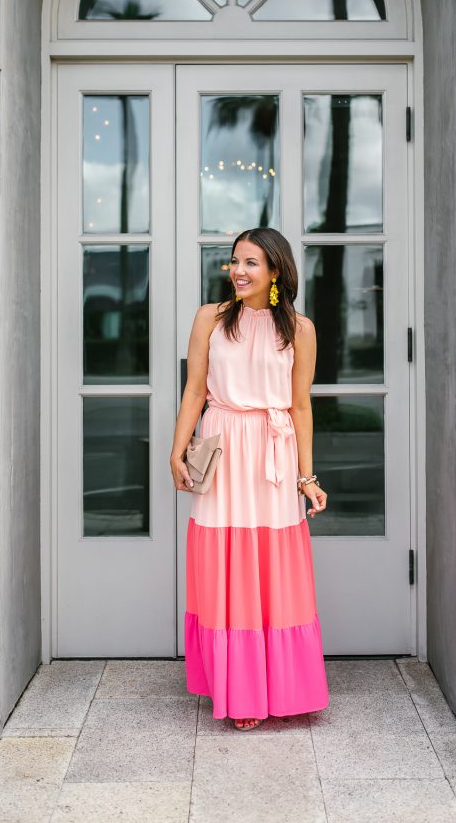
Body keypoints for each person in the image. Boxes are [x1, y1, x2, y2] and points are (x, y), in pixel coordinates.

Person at [169, 227, 330, 731]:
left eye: (251, 263)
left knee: (274, 572)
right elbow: (195, 389)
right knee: (225, 567)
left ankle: (281, 688)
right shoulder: (210, 319)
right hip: (223, 448)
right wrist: (178, 451)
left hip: (274, 453)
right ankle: (239, 691)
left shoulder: (300, 330)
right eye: (234, 261)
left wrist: (308, 477)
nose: (238, 271)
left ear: (276, 270)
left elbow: (301, 406)